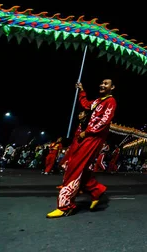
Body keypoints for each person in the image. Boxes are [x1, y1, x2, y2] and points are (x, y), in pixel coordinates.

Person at [47, 79, 117, 218]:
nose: (102, 85)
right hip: (87, 137)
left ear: (112, 87)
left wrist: (88, 131)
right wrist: (82, 90)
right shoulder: (98, 101)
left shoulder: (111, 101)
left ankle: (66, 206)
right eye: (101, 82)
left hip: (93, 138)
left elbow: (105, 121)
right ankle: (96, 190)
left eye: (106, 83)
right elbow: (86, 104)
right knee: (81, 167)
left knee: (74, 166)